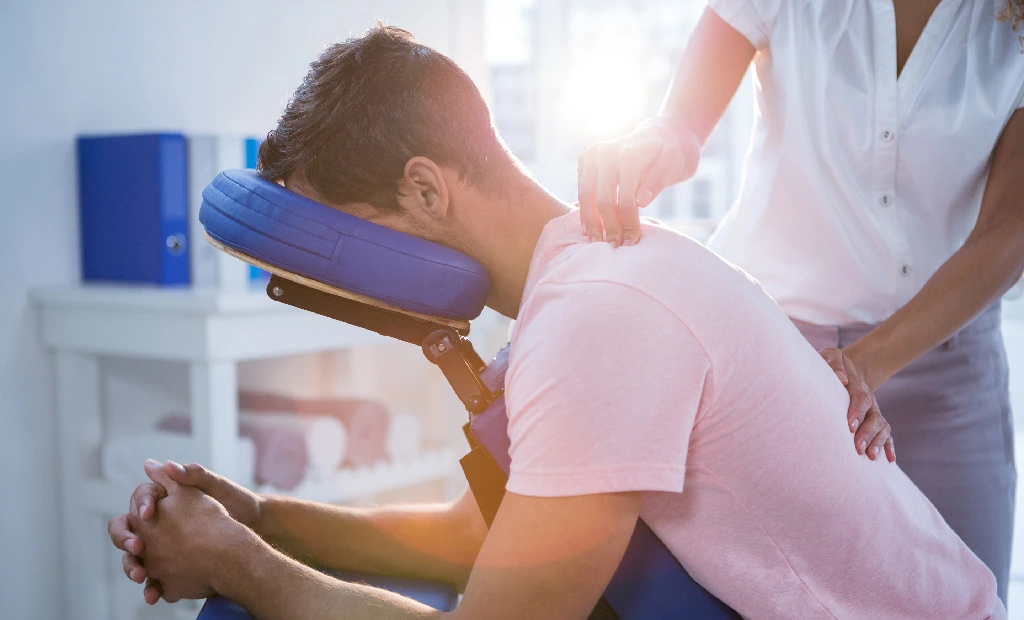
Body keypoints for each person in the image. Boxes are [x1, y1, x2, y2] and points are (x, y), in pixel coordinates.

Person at [108, 25, 1003, 619]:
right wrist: (263, 517)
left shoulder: (598, 317)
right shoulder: (579, 279)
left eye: (346, 239)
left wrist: (237, 565)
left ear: (425, 188)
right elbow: (478, 535)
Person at [576, 0, 1024, 601]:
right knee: (771, 596)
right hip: (780, 354)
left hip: (946, 367)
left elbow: (1010, 229)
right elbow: (681, 125)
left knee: (966, 601)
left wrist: (863, 364)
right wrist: (652, 147)